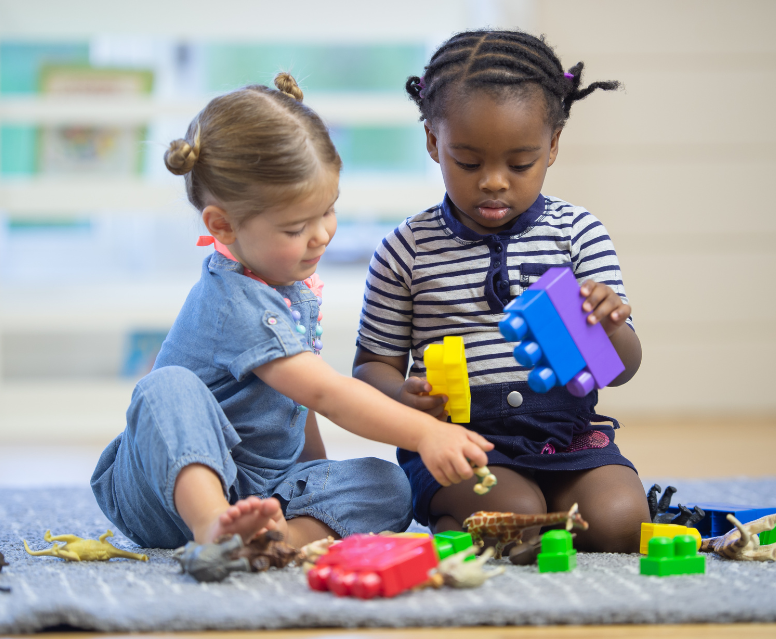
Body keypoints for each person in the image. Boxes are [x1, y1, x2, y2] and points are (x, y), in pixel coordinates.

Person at [91, 73, 492, 550]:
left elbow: (299, 404)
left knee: (391, 485)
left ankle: (279, 539)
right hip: (163, 490)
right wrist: (425, 432)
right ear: (223, 224)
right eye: (298, 226)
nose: (322, 234)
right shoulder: (233, 300)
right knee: (166, 386)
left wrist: (314, 482)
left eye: (329, 210)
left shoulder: (288, 287)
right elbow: (326, 393)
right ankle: (213, 529)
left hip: (260, 489)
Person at [353, 31, 650, 555]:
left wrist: (609, 328)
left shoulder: (578, 233)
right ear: (432, 142)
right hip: (460, 444)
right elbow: (371, 367)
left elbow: (621, 369)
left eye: (520, 164)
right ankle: (469, 513)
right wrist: (405, 398)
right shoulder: (406, 249)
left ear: (552, 146)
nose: (493, 182)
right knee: (517, 519)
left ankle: (539, 510)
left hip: (569, 434)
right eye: (468, 162)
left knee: (622, 523)